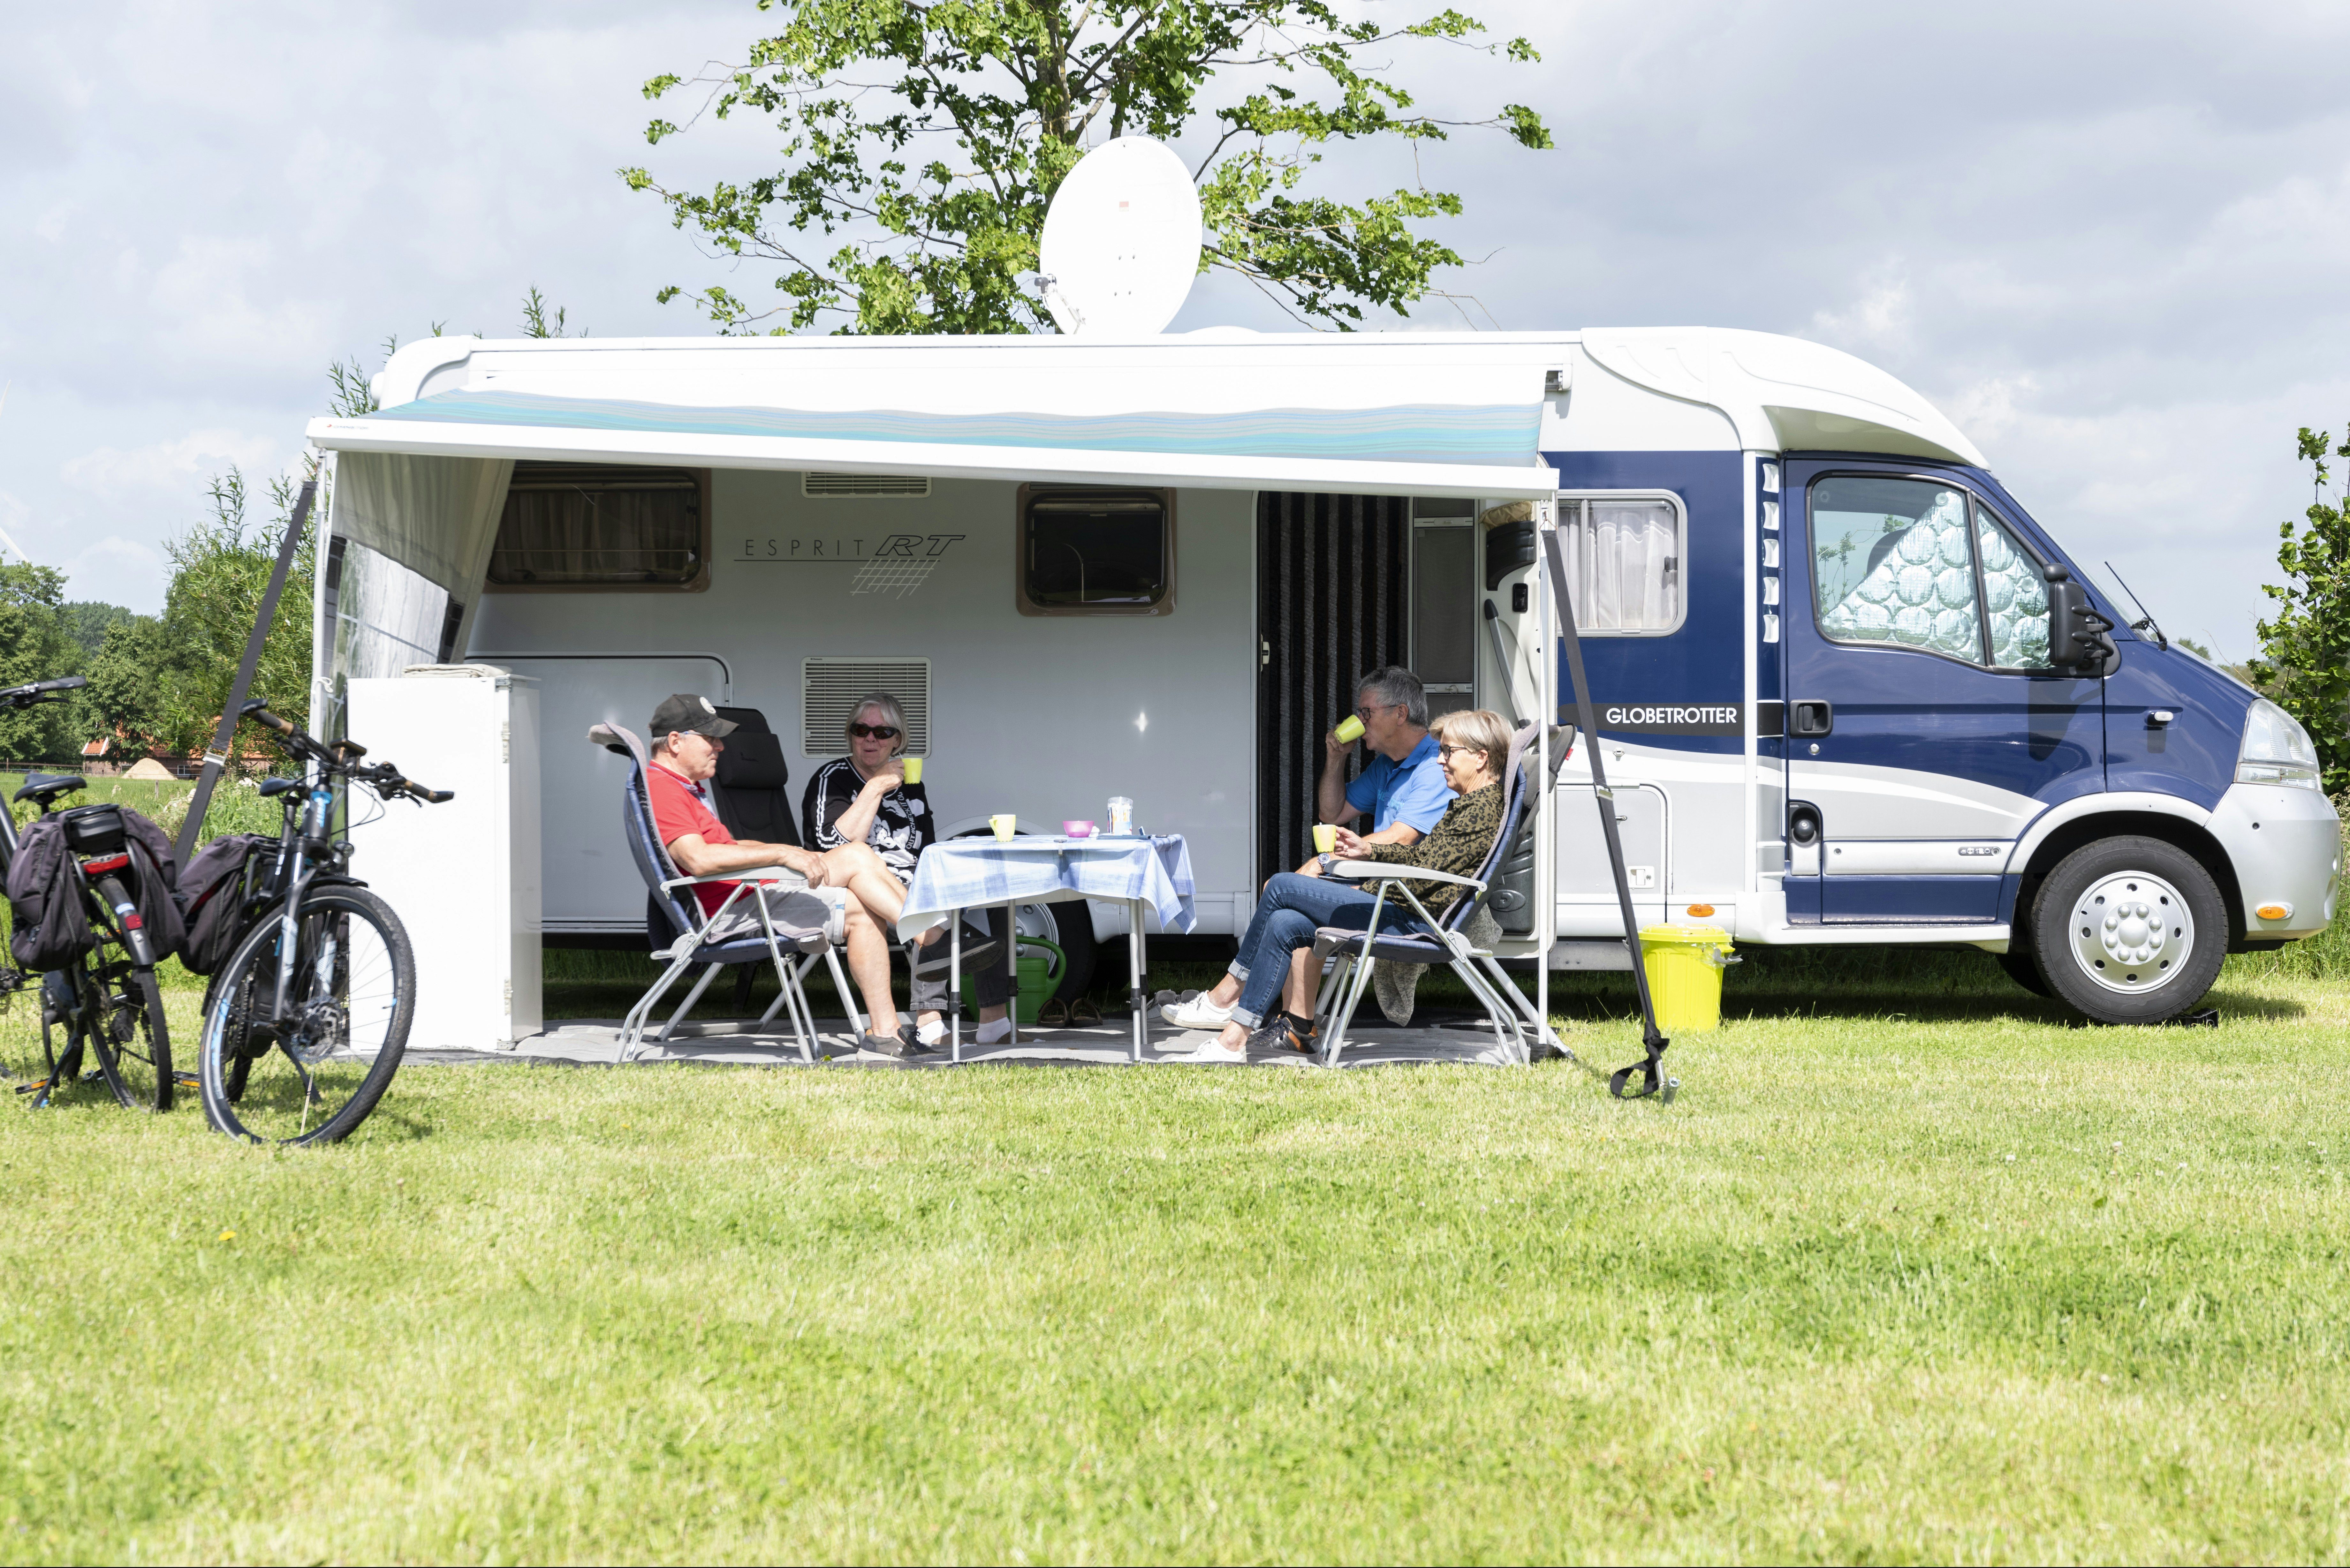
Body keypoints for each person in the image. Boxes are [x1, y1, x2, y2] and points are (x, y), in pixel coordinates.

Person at [1164, 707, 1513, 1064]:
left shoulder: (1479, 811)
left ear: (1481, 758)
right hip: (1400, 906)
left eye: (1449, 752)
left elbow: (1426, 876)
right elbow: (1424, 862)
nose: (1441, 760)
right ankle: (1233, 1040)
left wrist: (1361, 886)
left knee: (1282, 886)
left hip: (1410, 919)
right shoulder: (1468, 805)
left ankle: (1226, 995)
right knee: (1285, 923)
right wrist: (1369, 850)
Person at [1162, 664, 1450, 1030]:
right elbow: (1332, 813)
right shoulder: (1387, 765)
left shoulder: (1432, 766)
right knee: (1287, 913)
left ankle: (1226, 997)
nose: (1358, 721)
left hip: (1401, 897)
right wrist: (1336, 757)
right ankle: (1295, 1024)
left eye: (1366, 713)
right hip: (1377, 884)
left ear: (1400, 714)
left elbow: (1402, 837)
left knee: (1281, 888)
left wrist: (1325, 859)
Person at [642, 692, 928, 1058]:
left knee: (858, 857)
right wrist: (780, 853)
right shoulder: (664, 788)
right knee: (857, 898)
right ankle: (932, 945)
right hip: (731, 910)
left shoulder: (685, 787)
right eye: (710, 738)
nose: (720, 747)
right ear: (675, 741)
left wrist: (793, 853)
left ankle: (920, 958)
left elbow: (726, 846)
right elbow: (698, 860)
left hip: (748, 892)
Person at [802, 693, 1012, 1047]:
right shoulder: (833, 777)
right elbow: (830, 844)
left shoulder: (911, 784)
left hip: (909, 881)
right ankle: (931, 1024)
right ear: (850, 735)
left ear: (897, 740)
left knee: (985, 908)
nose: (870, 739)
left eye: (882, 732)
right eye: (861, 730)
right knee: (925, 912)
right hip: (856, 887)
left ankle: (995, 1024)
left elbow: (924, 848)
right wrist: (876, 786)